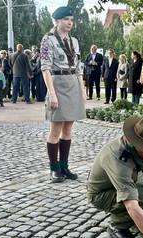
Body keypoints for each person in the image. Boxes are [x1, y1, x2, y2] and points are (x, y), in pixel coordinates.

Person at [40, 6, 86, 182]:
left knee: (68, 130)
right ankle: (54, 169)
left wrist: (82, 90)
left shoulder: (74, 41)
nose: (69, 23)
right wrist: (52, 94)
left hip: (73, 83)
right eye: (66, 19)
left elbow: (79, 67)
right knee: (55, 130)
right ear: (57, 21)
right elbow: (45, 68)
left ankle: (64, 166)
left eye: (71, 20)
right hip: (57, 84)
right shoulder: (48, 39)